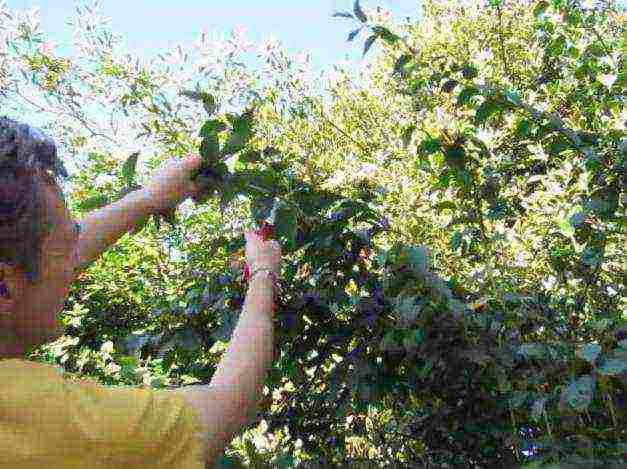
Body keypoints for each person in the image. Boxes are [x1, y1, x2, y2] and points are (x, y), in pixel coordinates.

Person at [0, 117, 281, 468]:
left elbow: (40, 254)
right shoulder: (37, 419)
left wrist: (149, 198)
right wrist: (264, 273)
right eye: (65, 250)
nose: (74, 266)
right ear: (6, 285)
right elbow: (226, 406)